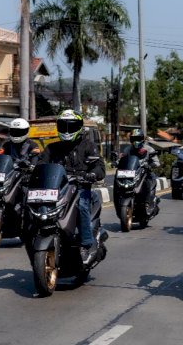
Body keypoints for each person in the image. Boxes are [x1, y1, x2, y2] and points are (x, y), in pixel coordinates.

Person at [38, 110, 105, 264]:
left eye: (71, 126)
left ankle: (87, 244)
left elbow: (99, 167)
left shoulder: (88, 146)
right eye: (63, 126)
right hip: (57, 189)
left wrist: (92, 175)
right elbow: (41, 165)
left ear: (80, 127)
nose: (67, 130)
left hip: (80, 187)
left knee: (82, 205)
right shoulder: (52, 148)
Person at [123, 129, 161, 214]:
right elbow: (122, 159)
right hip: (131, 173)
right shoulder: (128, 149)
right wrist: (117, 162)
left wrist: (150, 165)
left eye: (138, 138)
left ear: (142, 139)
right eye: (133, 139)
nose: (136, 141)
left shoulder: (149, 149)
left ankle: (148, 203)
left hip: (145, 173)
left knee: (150, 181)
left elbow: (157, 162)